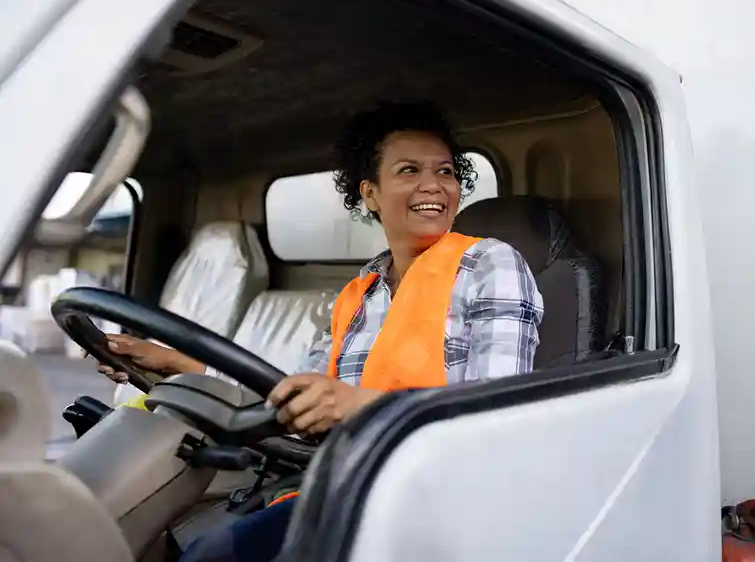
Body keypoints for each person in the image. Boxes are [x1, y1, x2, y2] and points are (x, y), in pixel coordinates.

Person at [95, 100, 544, 562]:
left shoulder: (490, 262)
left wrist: (355, 405)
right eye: (409, 170)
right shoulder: (359, 291)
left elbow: (497, 410)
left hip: (428, 498)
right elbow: (290, 389)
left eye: (446, 172)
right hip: (333, 477)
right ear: (370, 193)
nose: (433, 185)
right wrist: (177, 366)